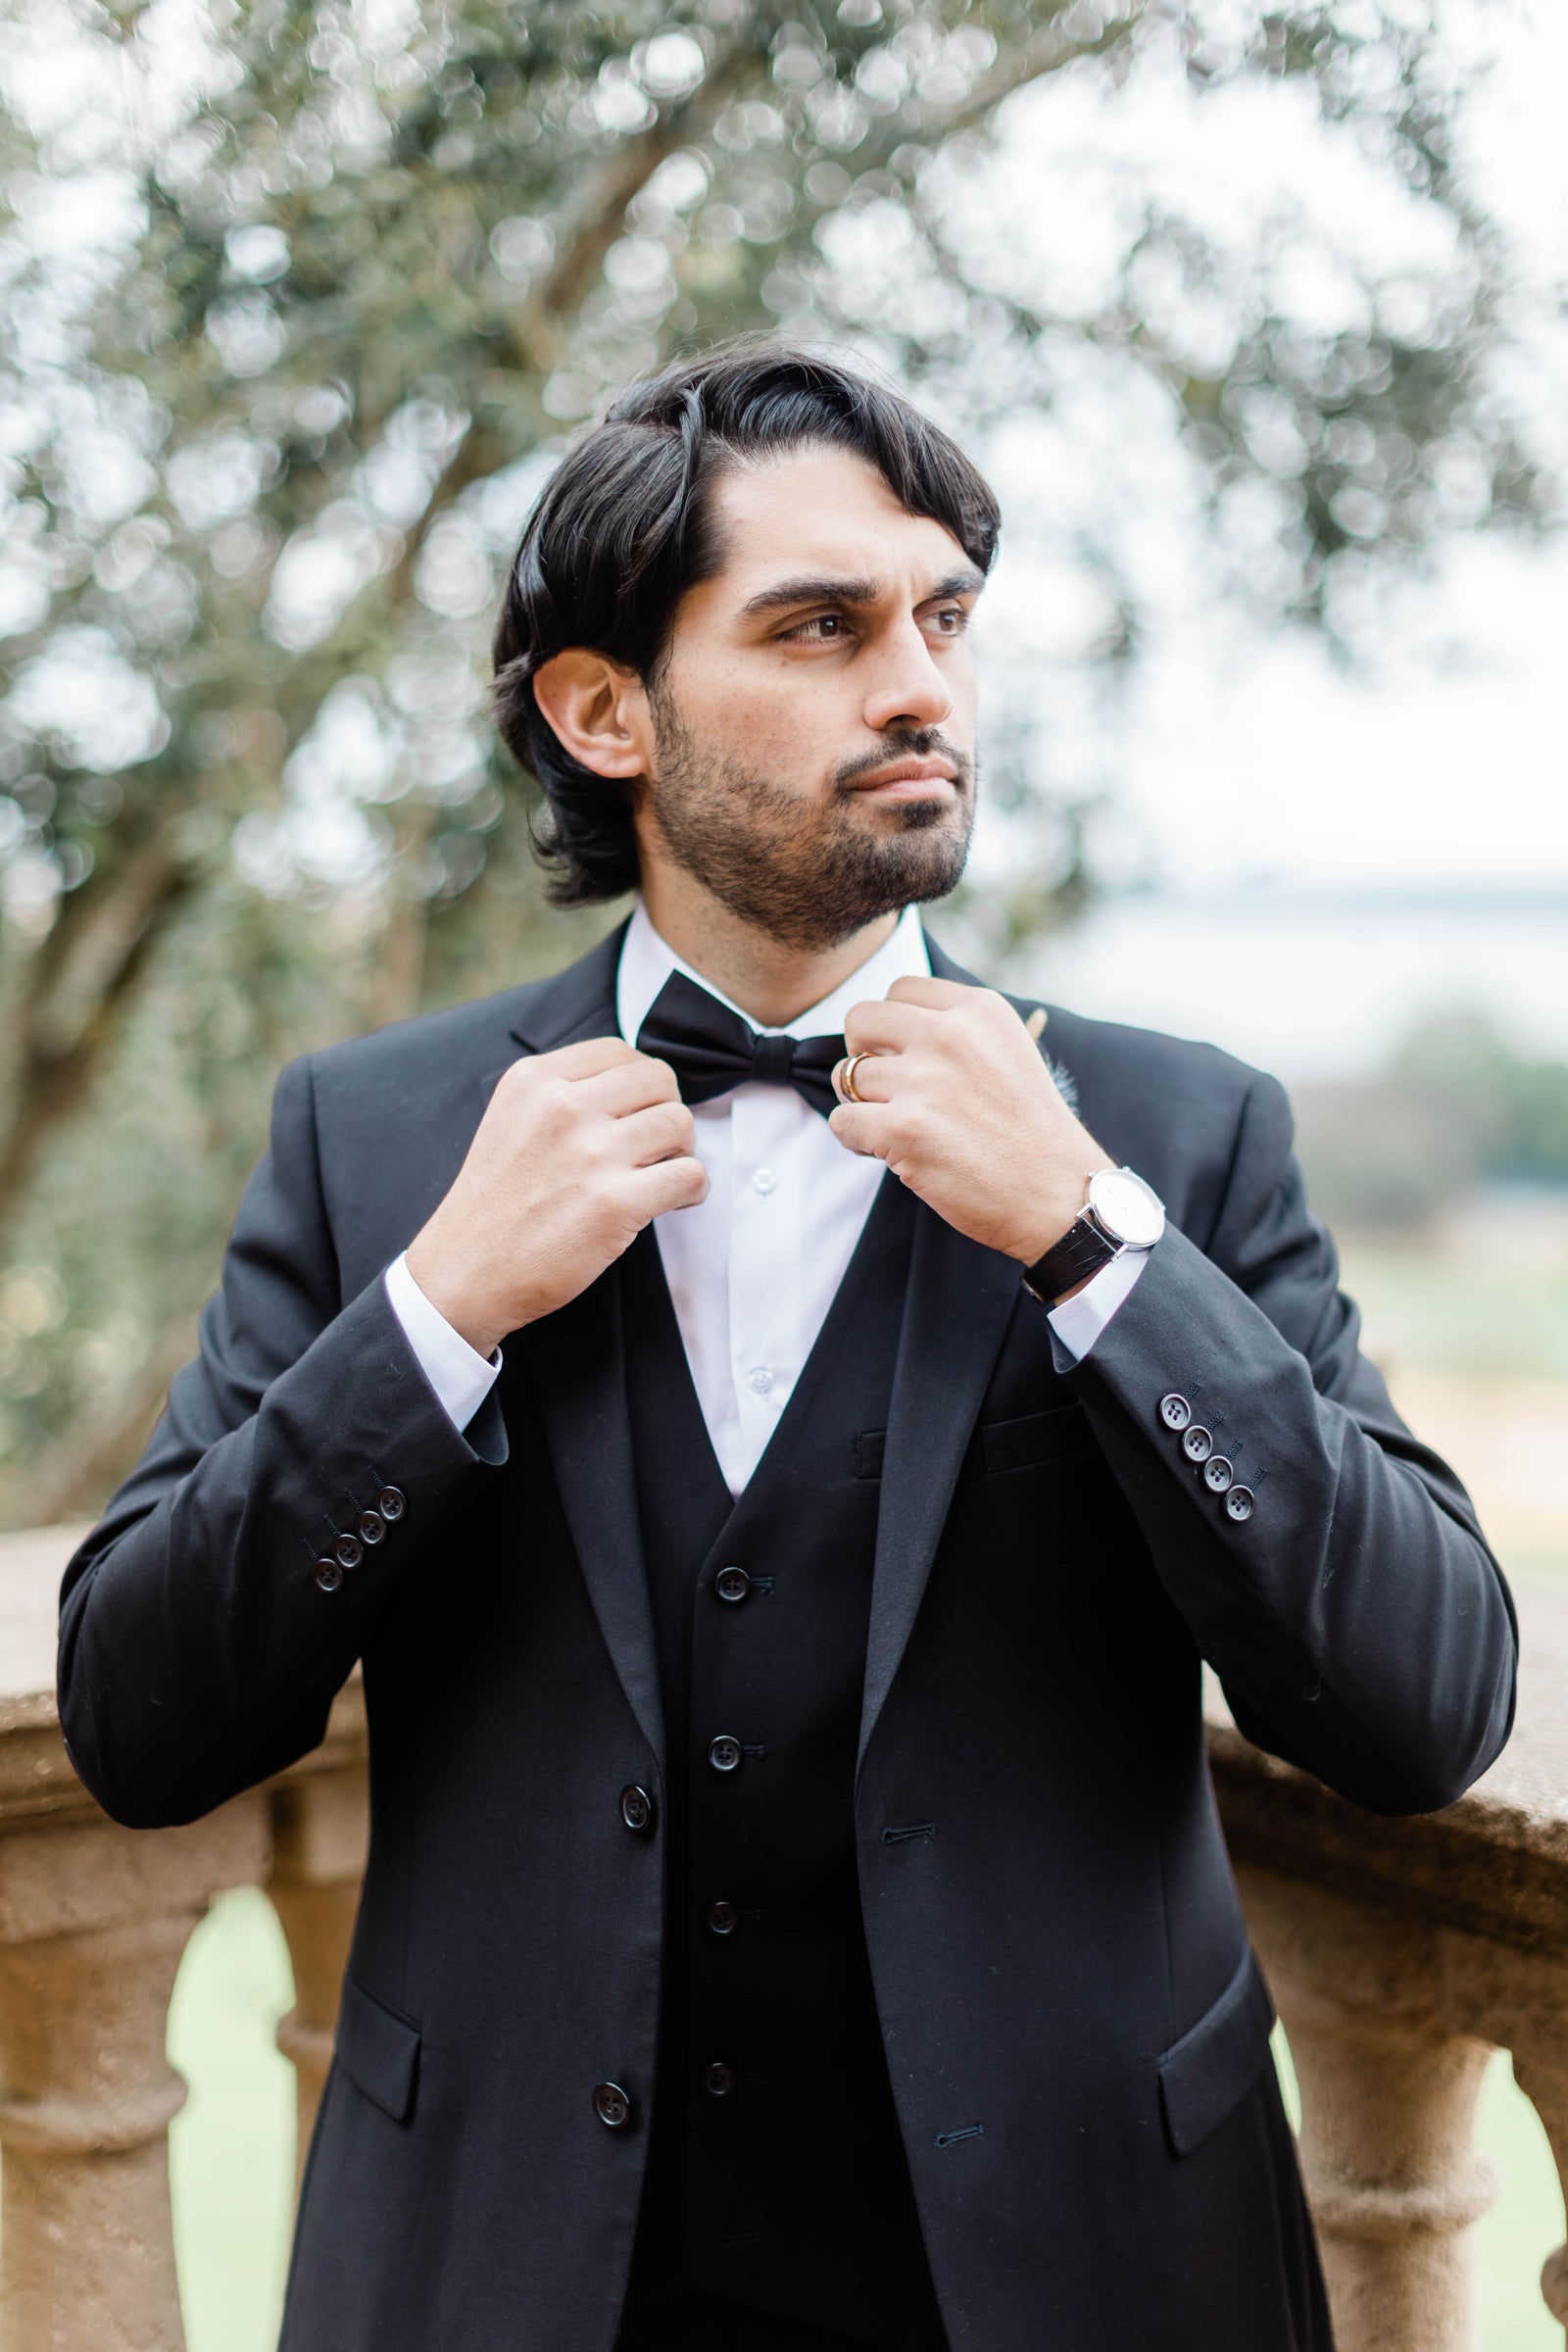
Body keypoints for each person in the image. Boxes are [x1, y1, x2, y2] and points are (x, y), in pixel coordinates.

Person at [57, 345, 1515, 2352]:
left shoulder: (1171, 1138)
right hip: (510, 2277)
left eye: (940, 617)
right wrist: (441, 1307)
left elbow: (1422, 1698)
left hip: (1073, 2279)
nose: (917, 686)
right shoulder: (379, 1144)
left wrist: (1089, 1245)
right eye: (817, 626)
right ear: (601, 709)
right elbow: (141, 1722)